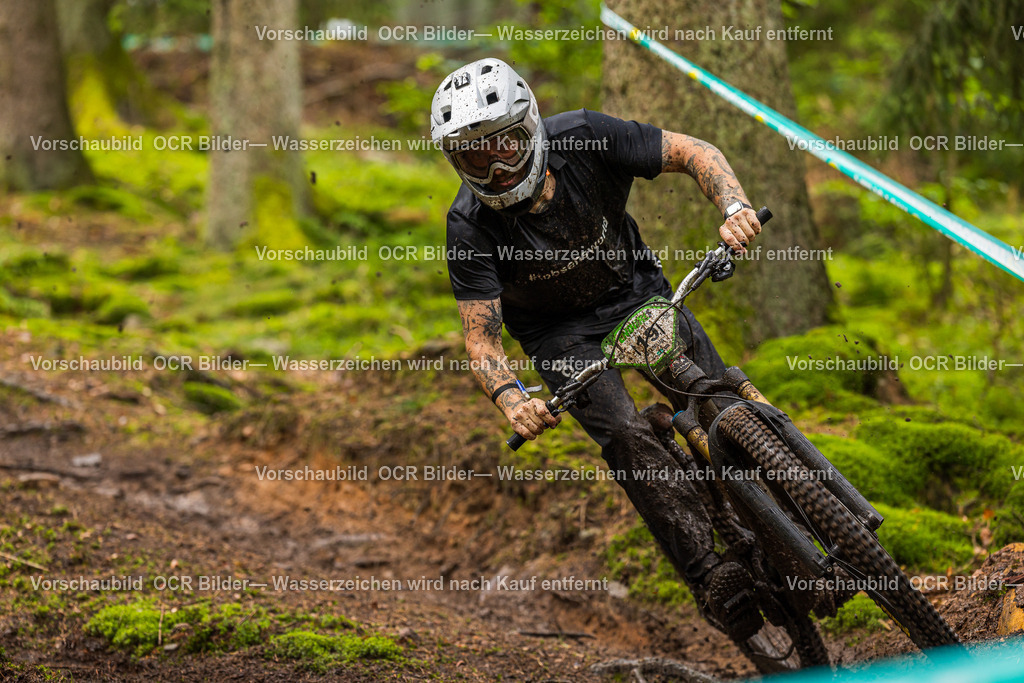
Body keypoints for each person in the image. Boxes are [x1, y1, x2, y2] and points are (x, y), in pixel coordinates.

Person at [431, 58, 765, 642]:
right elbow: (480, 337)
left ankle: (799, 492)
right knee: (628, 434)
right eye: (474, 157)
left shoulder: (584, 135)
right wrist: (513, 401)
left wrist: (733, 207)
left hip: (635, 292)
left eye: (506, 145)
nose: (499, 167)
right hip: (560, 336)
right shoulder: (469, 226)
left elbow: (690, 150)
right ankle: (711, 574)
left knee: (718, 401)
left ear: (531, 127)